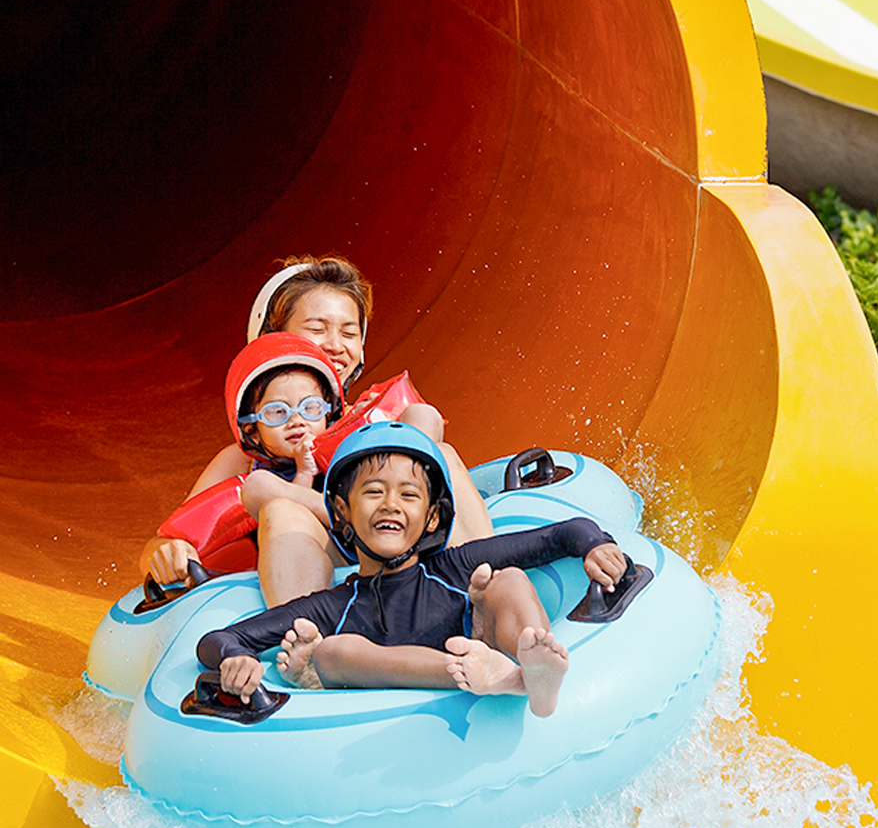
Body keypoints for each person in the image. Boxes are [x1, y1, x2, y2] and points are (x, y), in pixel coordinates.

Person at [196, 422, 628, 718]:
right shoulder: (334, 606)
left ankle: (536, 678)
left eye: (408, 495)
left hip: (492, 648)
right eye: (373, 492)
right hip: (454, 678)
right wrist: (235, 657)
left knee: (510, 579)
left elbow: (561, 534)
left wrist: (594, 545)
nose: (390, 504)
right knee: (330, 652)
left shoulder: (455, 565)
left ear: (433, 519)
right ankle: (493, 675)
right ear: (342, 511)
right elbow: (219, 639)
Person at [140, 254, 492, 602]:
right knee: (280, 507)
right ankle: (306, 639)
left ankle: (483, 592)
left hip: (408, 544)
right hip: (329, 570)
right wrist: (169, 554)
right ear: (272, 339)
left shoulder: (382, 426)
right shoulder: (245, 458)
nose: (336, 346)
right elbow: (172, 538)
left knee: (440, 454)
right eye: (317, 329)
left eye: (349, 332)